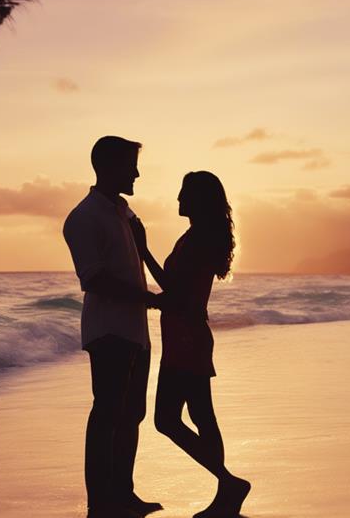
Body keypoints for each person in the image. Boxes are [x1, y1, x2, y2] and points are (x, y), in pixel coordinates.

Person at [131, 171, 251, 518]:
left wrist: (143, 252)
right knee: (202, 416)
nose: (178, 200)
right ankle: (225, 492)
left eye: (184, 194)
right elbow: (180, 292)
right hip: (189, 337)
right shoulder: (198, 236)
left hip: (186, 340)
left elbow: (176, 292)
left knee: (166, 420)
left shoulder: (198, 240)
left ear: (198, 200)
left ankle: (227, 482)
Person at [63, 136, 163, 518]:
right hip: (108, 331)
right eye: (129, 165)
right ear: (107, 166)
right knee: (107, 412)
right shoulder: (84, 217)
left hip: (136, 331)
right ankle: (99, 502)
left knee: (132, 414)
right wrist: (150, 300)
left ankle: (123, 494)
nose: (136, 173)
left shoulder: (125, 213)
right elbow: (94, 279)